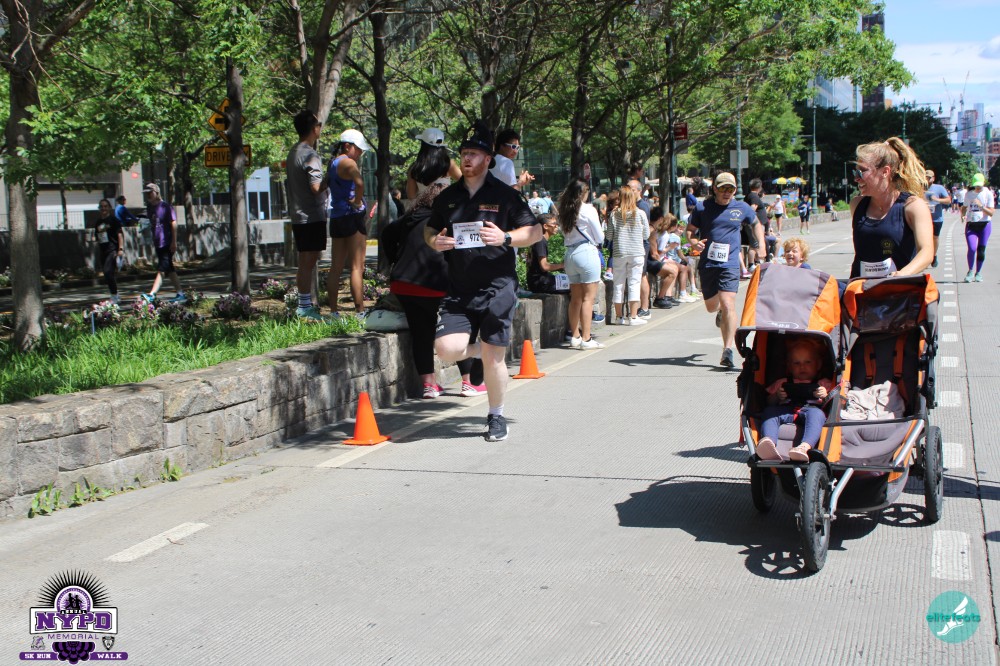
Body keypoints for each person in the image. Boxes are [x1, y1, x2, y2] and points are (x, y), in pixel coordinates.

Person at [425, 120, 542, 442]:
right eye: (464, 153)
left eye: (474, 154)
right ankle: (481, 349)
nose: (467, 159)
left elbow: (534, 231)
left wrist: (506, 237)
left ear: (488, 159)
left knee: (494, 358)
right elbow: (430, 229)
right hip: (459, 288)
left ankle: (496, 416)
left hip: (498, 286)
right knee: (447, 349)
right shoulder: (448, 197)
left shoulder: (505, 195)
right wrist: (434, 241)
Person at [388, 178, 485, 399]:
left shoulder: (409, 218)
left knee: (420, 333)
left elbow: (386, 235)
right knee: (458, 329)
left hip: (404, 283)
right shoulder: (451, 218)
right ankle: (469, 382)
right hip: (437, 284)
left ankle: (429, 386)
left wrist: (396, 259)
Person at [687, 172, 756, 368]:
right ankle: (720, 312)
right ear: (715, 189)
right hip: (708, 263)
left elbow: (756, 224)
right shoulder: (703, 207)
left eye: (730, 189)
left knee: (728, 303)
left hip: (730, 263)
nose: (727, 192)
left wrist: (759, 245)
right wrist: (694, 242)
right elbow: (690, 231)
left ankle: (728, 350)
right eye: (723, 188)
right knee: (712, 307)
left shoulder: (741, 208)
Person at [849, 137, 934, 279]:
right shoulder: (856, 204)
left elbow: (926, 252)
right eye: (855, 173)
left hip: (897, 289)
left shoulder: (913, 206)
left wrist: (902, 274)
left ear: (885, 171)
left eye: (862, 172)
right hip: (861, 288)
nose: (856, 178)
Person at [755, 337, 836, 462]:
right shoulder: (782, 382)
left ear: (818, 364)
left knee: (818, 414)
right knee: (769, 412)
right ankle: (769, 443)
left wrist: (825, 395)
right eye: (796, 363)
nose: (802, 367)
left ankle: (805, 447)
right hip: (785, 410)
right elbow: (768, 402)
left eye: (808, 362)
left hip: (811, 410)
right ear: (789, 366)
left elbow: (834, 404)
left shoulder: (823, 383)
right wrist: (777, 396)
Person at [285, 110, 331, 320]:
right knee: (308, 262)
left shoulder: (294, 152)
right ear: (314, 128)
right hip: (311, 215)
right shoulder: (310, 155)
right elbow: (316, 187)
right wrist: (331, 177)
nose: (320, 127)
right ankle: (304, 308)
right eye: (319, 124)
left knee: (305, 262)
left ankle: (304, 305)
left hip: (299, 215)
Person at [327, 128, 372, 316]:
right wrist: (357, 201)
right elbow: (360, 183)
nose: (360, 153)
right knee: (356, 267)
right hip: (352, 217)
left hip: (336, 217)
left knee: (336, 267)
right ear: (347, 146)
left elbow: (324, 185)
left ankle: (333, 312)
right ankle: (360, 311)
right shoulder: (349, 163)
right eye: (358, 148)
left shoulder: (333, 163)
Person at [557, 179, 604, 349]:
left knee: (575, 298)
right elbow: (599, 236)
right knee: (588, 298)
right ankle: (586, 338)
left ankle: (575, 336)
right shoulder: (588, 209)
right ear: (583, 192)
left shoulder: (563, 210)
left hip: (570, 254)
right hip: (586, 252)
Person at [607, 185, 650, 326]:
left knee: (618, 284)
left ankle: (619, 317)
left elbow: (609, 236)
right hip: (636, 252)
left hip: (619, 252)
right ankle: (633, 316)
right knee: (634, 283)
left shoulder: (614, 214)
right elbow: (646, 235)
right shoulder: (640, 213)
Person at [140, 183, 185, 303]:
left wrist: (174, 242)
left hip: (167, 242)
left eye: (150, 193)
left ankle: (152, 294)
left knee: (162, 268)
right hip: (158, 242)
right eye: (146, 193)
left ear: (156, 192)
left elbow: (173, 223)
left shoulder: (165, 206)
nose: (148, 195)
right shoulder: (150, 208)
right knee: (169, 269)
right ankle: (180, 293)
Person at [405, 127, 462, 202]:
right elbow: (465, 183)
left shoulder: (415, 167)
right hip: (444, 206)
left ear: (423, 145)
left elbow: (411, 195)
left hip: (424, 207)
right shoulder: (448, 164)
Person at [962, 172, 995, 283]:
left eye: (979, 185)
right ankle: (970, 271)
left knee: (981, 250)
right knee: (972, 248)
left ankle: (978, 272)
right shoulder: (969, 194)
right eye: (976, 185)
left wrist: (981, 206)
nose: (978, 187)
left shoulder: (988, 193)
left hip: (984, 225)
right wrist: (963, 215)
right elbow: (964, 207)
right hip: (971, 224)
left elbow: (991, 213)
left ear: (983, 183)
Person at [93, 199, 124, 304]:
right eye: (101, 206)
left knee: (108, 272)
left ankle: (114, 296)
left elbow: (120, 234)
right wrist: (93, 239)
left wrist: (120, 249)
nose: (103, 208)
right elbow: (97, 236)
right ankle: (115, 294)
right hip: (103, 250)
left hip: (112, 249)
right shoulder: (98, 222)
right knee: (107, 274)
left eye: (105, 206)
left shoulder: (113, 220)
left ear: (109, 208)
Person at [525, 213, 566, 293]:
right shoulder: (540, 242)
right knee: (575, 287)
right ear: (545, 226)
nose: (557, 226)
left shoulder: (539, 240)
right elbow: (545, 266)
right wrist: (563, 265)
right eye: (554, 224)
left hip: (542, 280)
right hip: (540, 283)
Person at [924, 169, 951, 268]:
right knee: (924, 238)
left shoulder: (939, 188)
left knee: (935, 237)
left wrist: (937, 200)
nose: (927, 179)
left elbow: (948, 200)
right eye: (925, 177)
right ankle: (925, 258)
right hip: (923, 218)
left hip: (936, 218)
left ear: (933, 178)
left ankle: (934, 255)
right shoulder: (919, 187)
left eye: (929, 178)